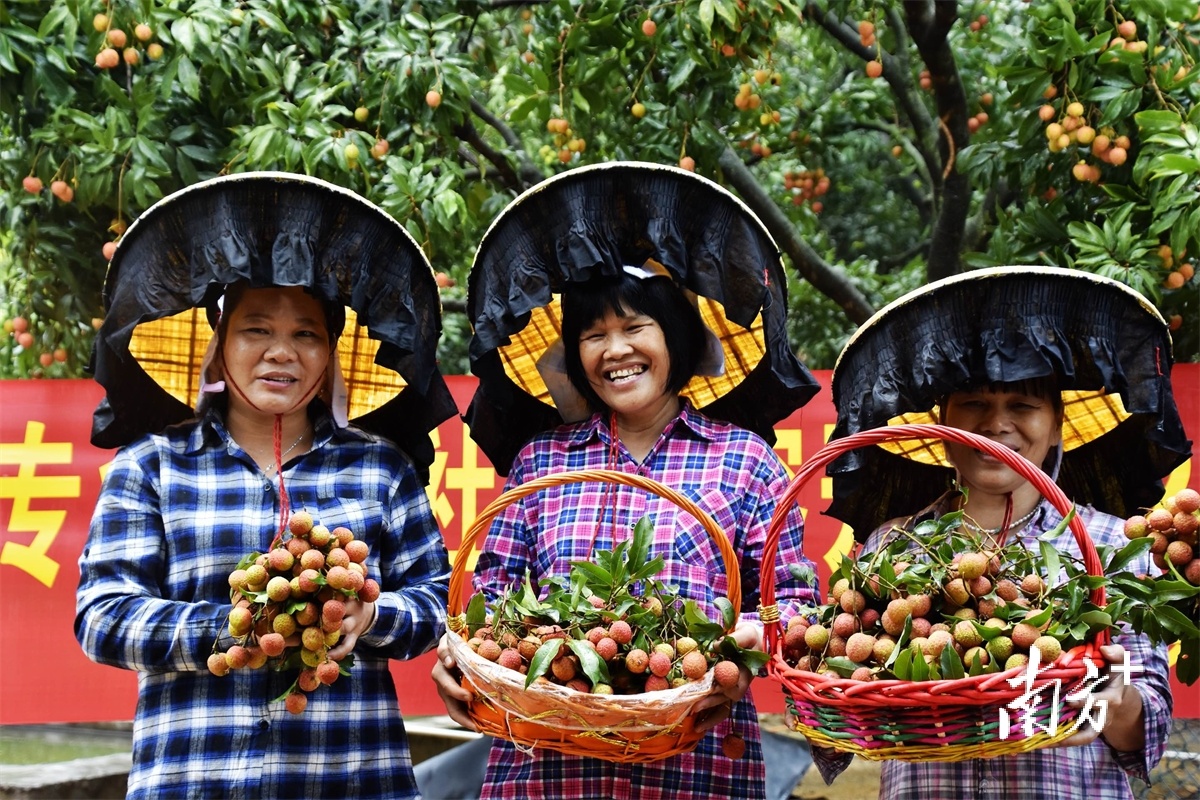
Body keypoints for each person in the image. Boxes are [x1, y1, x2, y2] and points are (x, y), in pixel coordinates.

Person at [431, 162, 823, 800]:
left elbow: (796, 603)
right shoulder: (541, 463)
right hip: (548, 766)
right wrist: (461, 658)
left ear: (677, 339)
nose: (615, 350)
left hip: (699, 763)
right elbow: (492, 602)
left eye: (635, 327)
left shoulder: (746, 460)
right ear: (576, 356)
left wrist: (749, 640)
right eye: (594, 335)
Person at [75, 172, 458, 799]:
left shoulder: (381, 469)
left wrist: (369, 615)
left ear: (330, 354)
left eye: (305, 333)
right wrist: (236, 627)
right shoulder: (151, 466)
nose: (282, 351)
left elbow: (440, 604)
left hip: (354, 779)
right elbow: (104, 616)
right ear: (221, 344)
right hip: (192, 780)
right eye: (257, 329)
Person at [813, 265, 1192, 800]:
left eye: (1022, 405)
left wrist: (1114, 696)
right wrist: (832, 688)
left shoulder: (1112, 547)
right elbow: (844, 726)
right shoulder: (891, 547)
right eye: (974, 405)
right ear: (942, 423)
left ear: (1057, 424)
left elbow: (1144, 734)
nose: (996, 425)